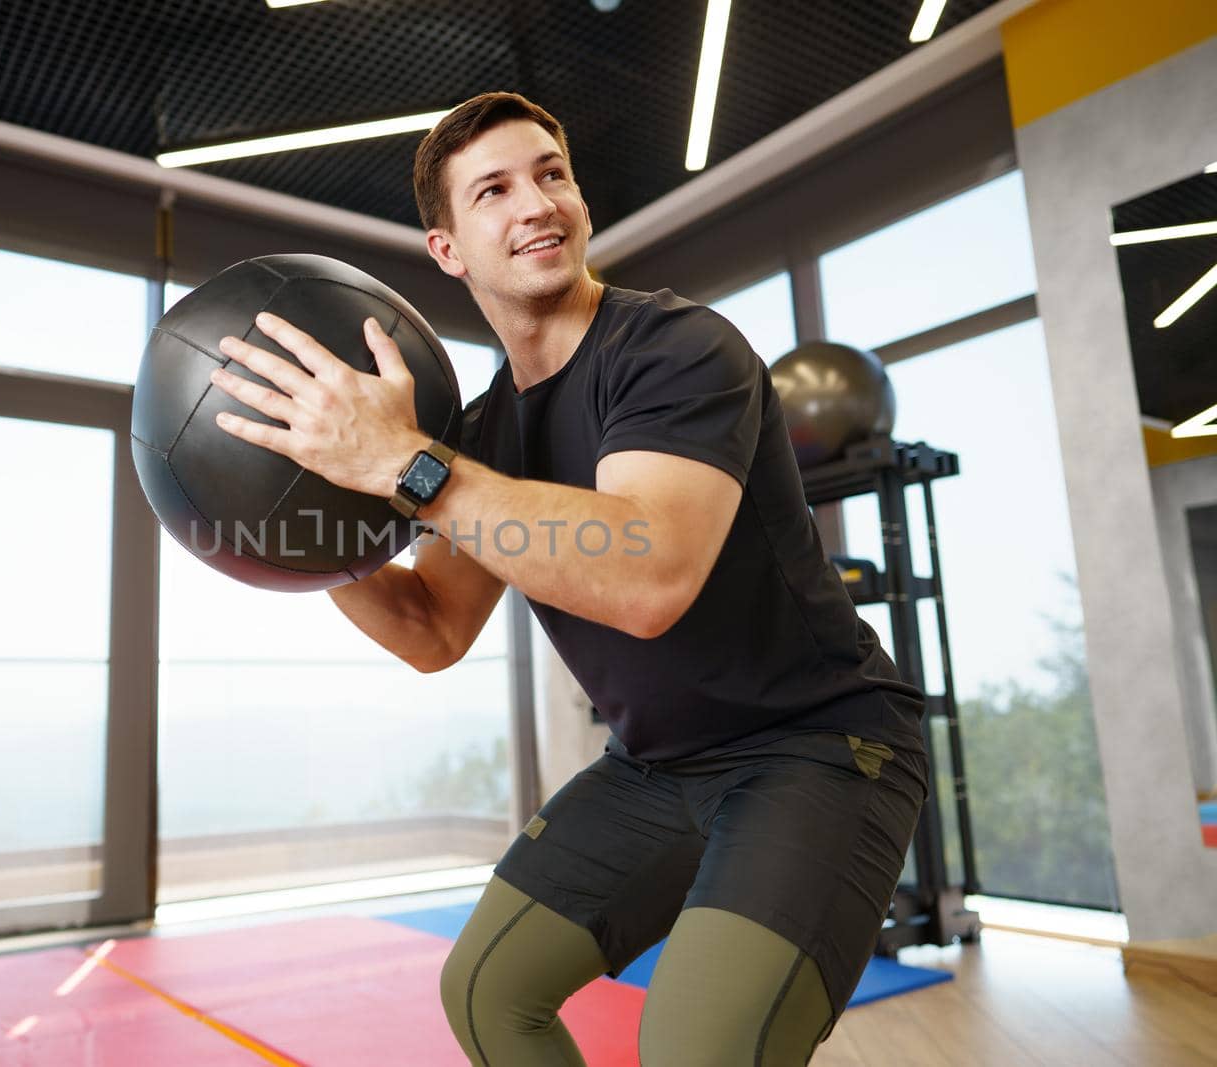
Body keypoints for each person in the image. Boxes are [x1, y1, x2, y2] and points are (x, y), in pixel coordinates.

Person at [206, 92, 930, 1066]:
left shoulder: (676, 350)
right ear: (448, 249)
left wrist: (404, 466)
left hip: (814, 748)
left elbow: (648, 574)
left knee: (693, 1047)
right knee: (486, 989)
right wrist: (291, 527)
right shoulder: (483, 432)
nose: (536, 202)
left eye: (551, 173)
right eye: (495, 189)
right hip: (658, 766)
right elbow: (431, 628)